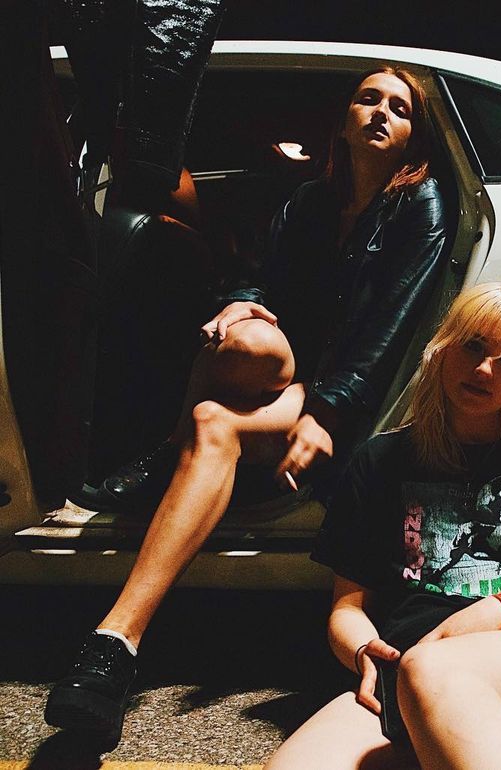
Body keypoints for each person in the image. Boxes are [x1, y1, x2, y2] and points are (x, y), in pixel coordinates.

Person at [45, 66, 448, 745]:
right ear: (345, 119)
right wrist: (238, 298)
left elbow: (390, 327)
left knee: (211, 423)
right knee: (241, 340)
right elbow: (259, 275)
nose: (381, 113)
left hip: (343, 392)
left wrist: (326, 412)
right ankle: (163, 486)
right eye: (367, 99)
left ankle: (112, 646)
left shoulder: (421, 204)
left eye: (400, 108)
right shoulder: (308, 203)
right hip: (292, 367)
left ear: (414, 134)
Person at [265, 283, 501, 770]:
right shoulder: (382, 459)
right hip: (404, 666)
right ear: (444, 348)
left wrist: (499, 609)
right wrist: (364, 649)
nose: (486, 368)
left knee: (431, 669)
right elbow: (347, 608)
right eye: (474, 346)